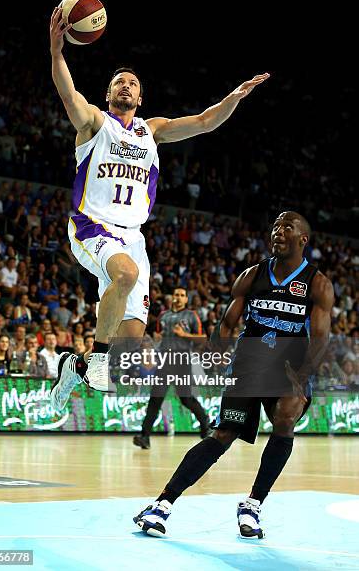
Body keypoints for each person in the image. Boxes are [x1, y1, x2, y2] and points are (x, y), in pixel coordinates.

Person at [48, 5, 270, 411]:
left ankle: (75, 365)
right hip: (92, 226)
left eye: (132, 83)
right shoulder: (95, 124)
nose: (126, 86)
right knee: (126, 275)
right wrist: (57, 52)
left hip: (132, 238)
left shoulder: (153, 130)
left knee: (129, 341)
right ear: (109, 93)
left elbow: (204, 122)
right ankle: (95, 360)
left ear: (141, 95)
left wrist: (234, 98)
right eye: (119, 82)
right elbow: (68, 93)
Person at [133, 211, 334, 539]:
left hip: (288, 365)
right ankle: (161, 505)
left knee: (287, 415)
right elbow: (227, 324)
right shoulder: (252, 275)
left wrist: (304, 373)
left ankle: (252, 505)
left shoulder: (317, 283)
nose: (278, 232)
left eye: (287, 227)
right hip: (248, 363)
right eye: (275, 226)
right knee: (223, 434)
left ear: (303, 239)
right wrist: (214, 354)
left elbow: (322, 337)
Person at [133, 287, 210, 449]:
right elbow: (158, 336)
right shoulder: (163, 316)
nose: (179, 298)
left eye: (183, 295)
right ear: (172, 297)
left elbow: (202, 338)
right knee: (155, 398)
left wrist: (184, 335)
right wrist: (158, 340)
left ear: (186, 300)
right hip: (165, 361)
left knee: (186, 398)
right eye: (176, 295)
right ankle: (144, 436)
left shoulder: (191, 315)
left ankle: (205, 426)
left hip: (182, 361)